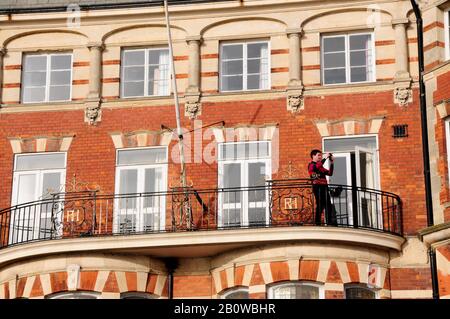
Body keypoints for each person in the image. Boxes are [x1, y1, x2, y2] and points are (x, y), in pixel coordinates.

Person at [308, 149, 337, 226]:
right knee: (320, 205)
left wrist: (332, 162)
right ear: (313, 156)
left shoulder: (320, 167)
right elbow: (316, 167)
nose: (320, 157)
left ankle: (329, 222)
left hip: (324, 187)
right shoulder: (311, 165)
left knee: (328, 205)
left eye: (321, 155)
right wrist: (326, 157)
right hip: (317, 187)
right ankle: (317, 223)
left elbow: (330, 173)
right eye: (319, 155)